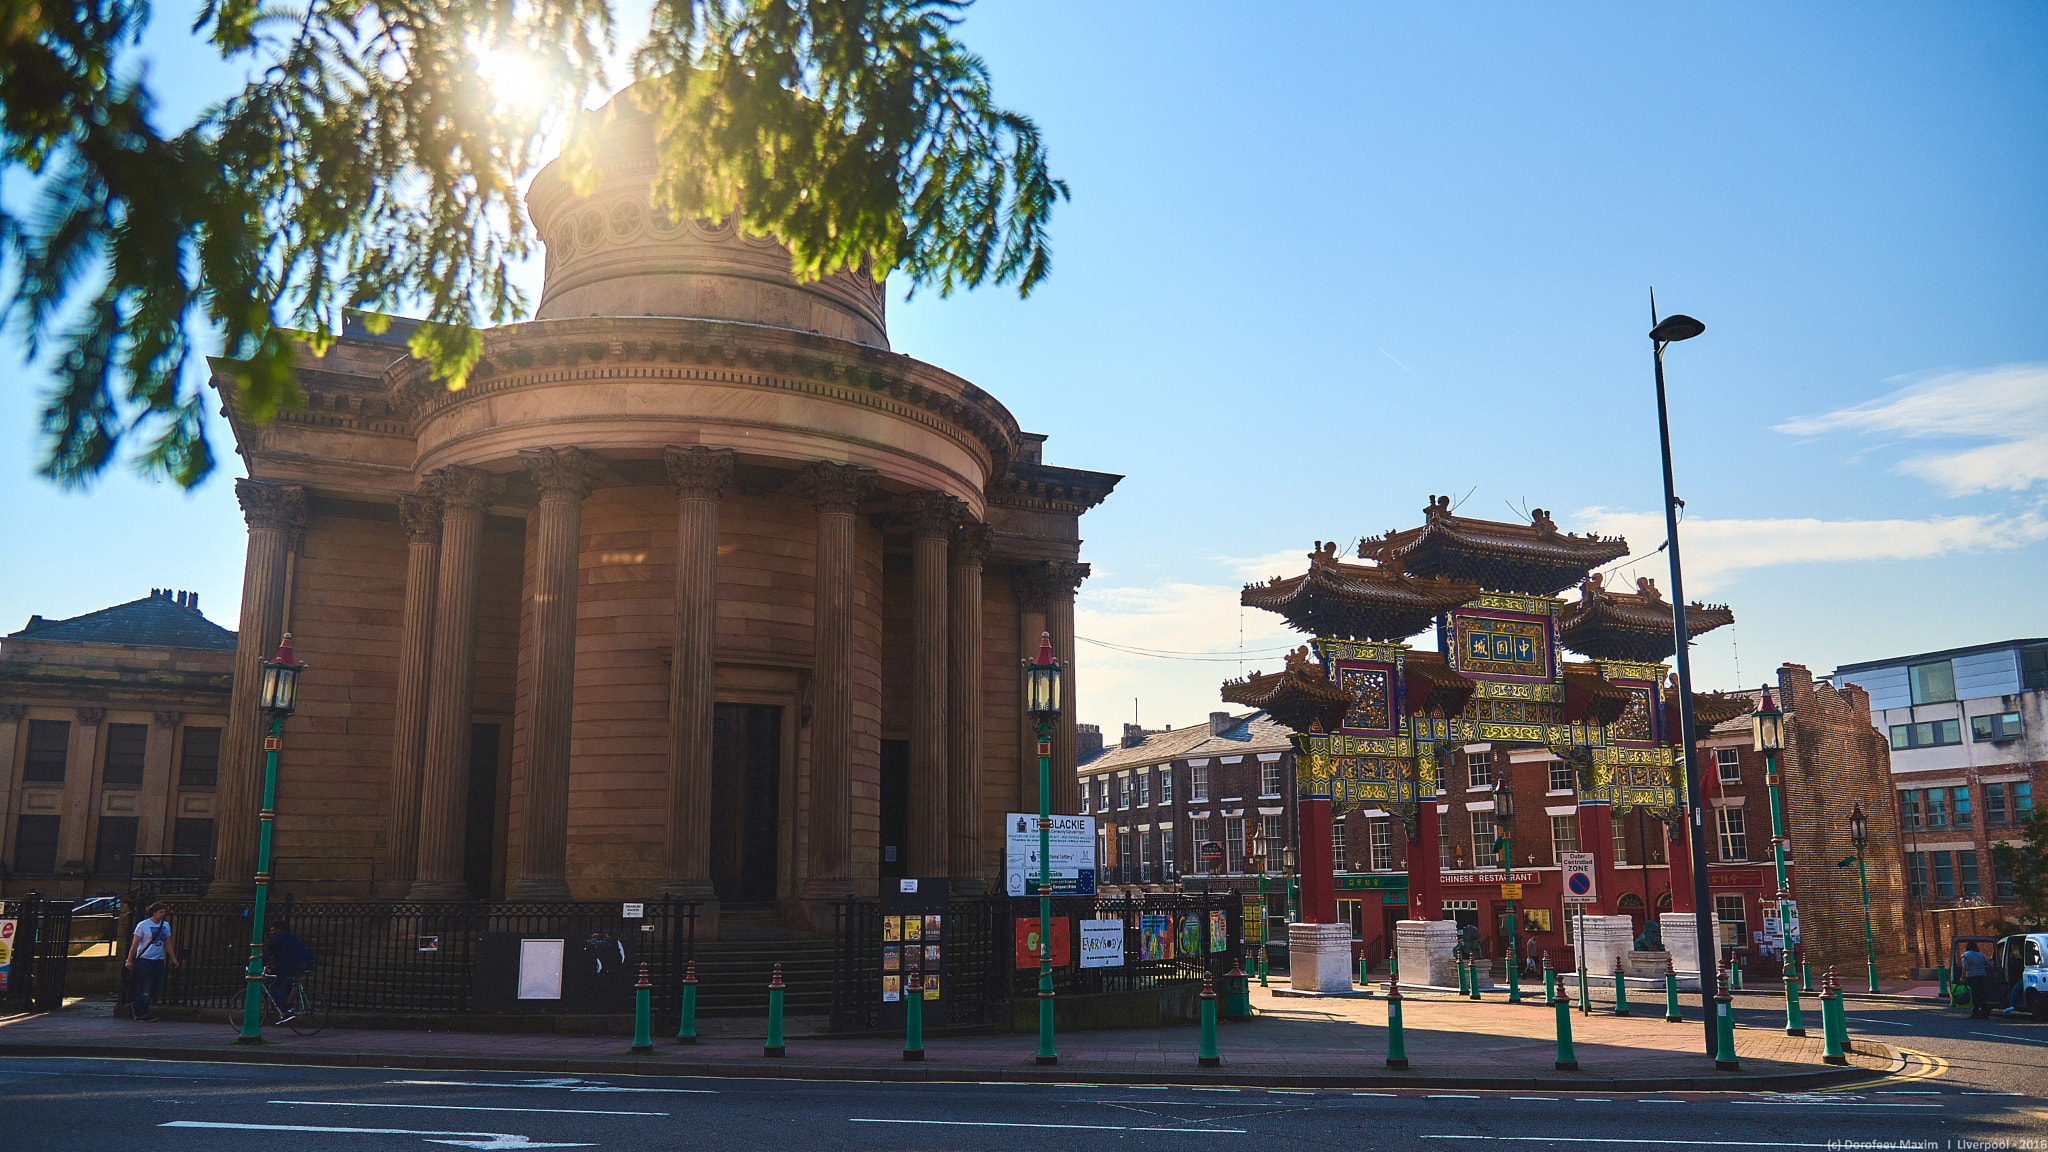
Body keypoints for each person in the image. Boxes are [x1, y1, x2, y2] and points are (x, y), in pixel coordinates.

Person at [124, 902, 180, 1022]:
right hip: (145, 959)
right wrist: (130, 960)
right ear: (154, 912)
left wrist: (173, 957)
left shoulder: (165, 925)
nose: (163, 914)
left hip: (158, 959)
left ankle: (138, 1004)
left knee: (156, 986)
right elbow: (135, 944)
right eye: (161, 912)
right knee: (146, 987)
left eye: (164, 912)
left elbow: (168, 943)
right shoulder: (143, 925)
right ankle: (142, 1013)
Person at [264, 920, 316, 1024]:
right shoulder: (291, 937)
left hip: (291, 966)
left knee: (274, 987)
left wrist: (258, 964)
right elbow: (284, 955)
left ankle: (287, 1011)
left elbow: (268, 954)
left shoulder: (277, 939)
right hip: (304, 963)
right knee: (286, 983)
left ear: (279, 930)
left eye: (273, 930)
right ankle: (285, 1001)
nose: (271, 932)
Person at [1959, 942, 1993, 1019]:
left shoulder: (1965, 955)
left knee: (1974, 995)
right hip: (1982, 975)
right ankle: (1984, 1012)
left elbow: (1965, 967)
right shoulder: (1980, 954)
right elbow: (1988, 963)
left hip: (1972, 976)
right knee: (1982, 995)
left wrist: (1962, 977)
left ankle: (1976, 1012)